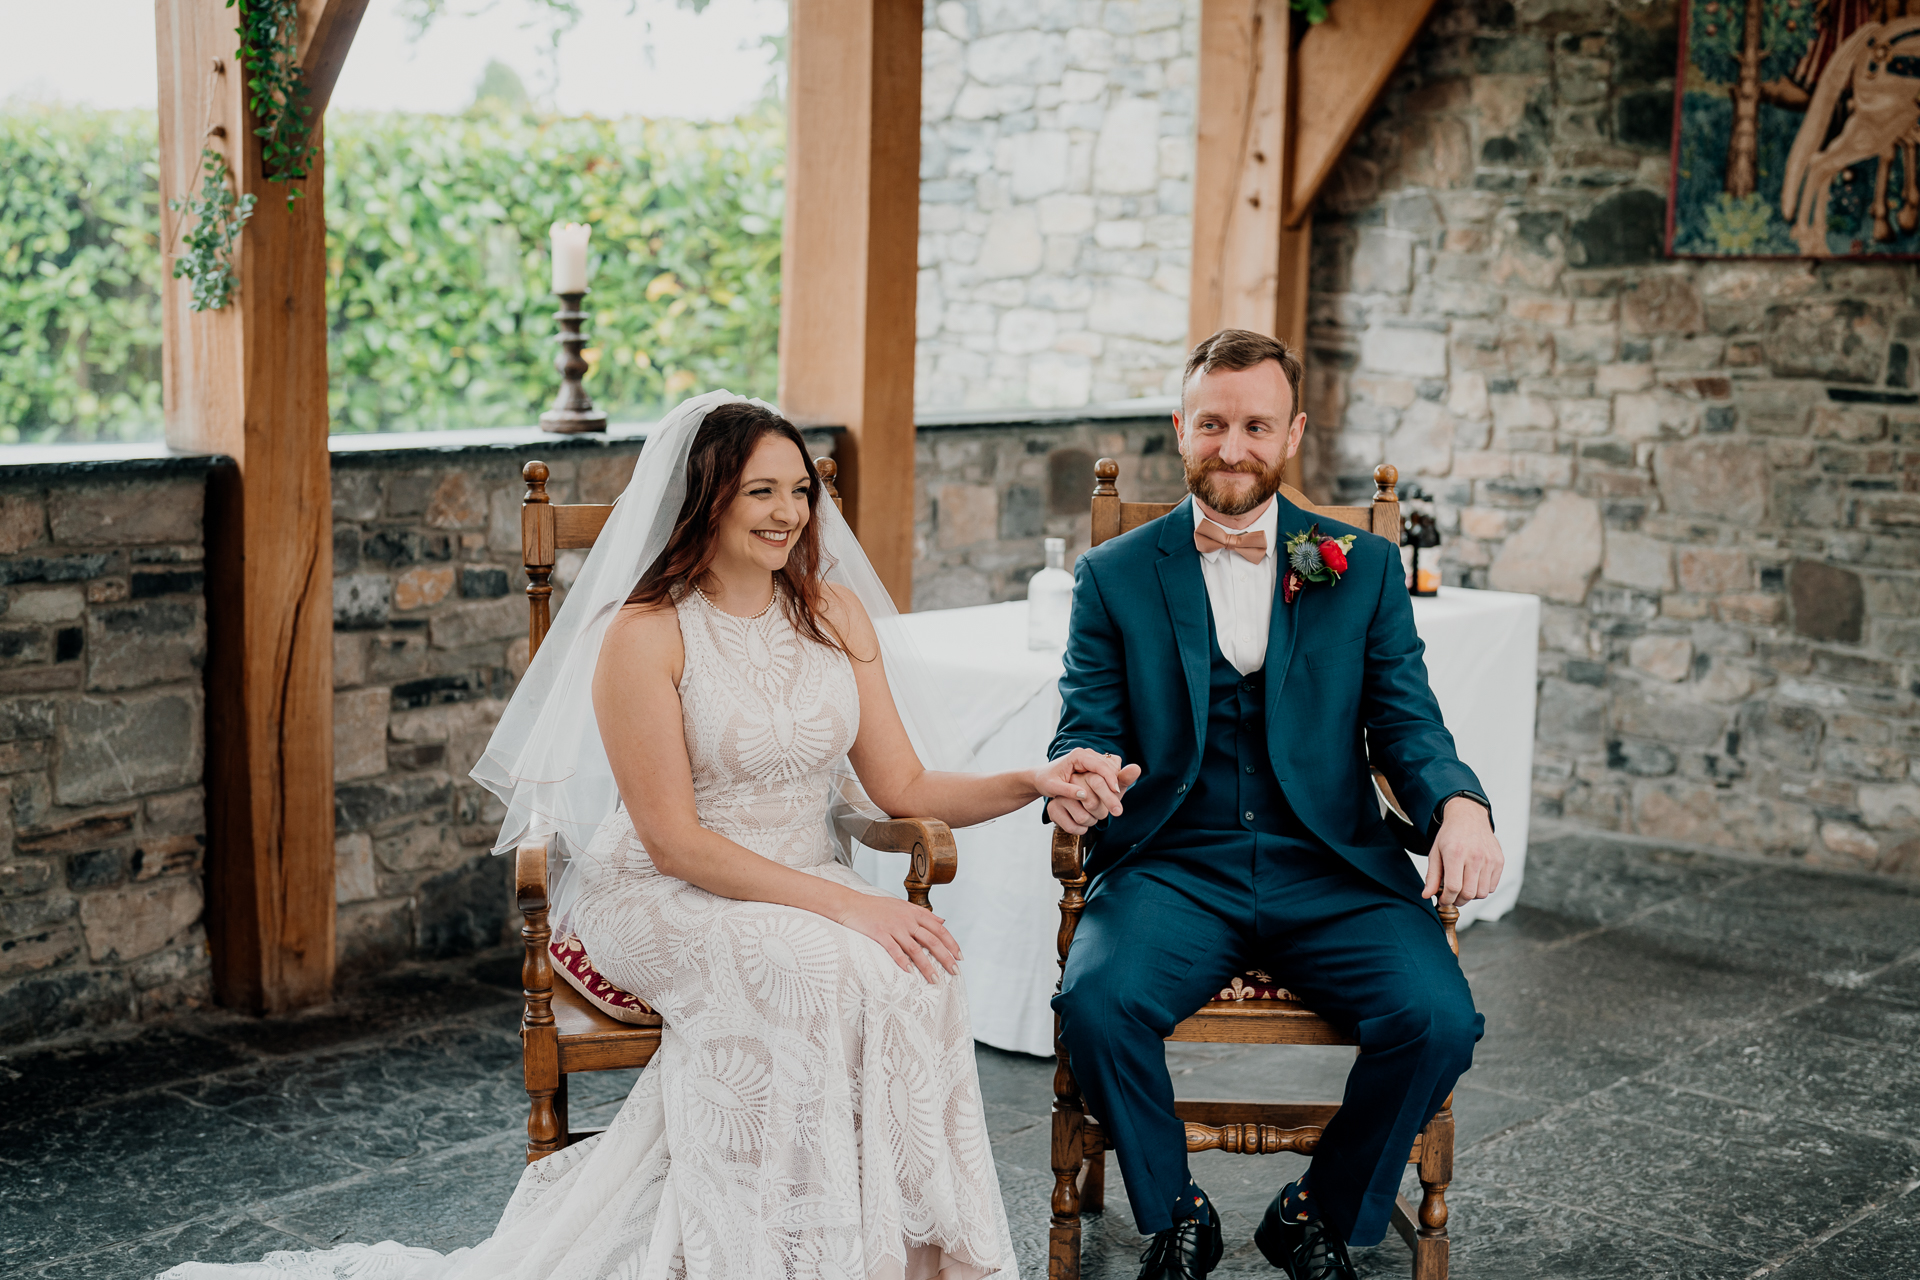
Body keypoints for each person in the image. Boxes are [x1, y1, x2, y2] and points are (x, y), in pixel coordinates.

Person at [159, 393, 1128, 1280]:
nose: (788, 512)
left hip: (799, 876)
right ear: (704, 498)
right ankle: (775, 1252)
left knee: (918, 970)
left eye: (799, 490)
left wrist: (1031, 778)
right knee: (822, 965)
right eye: (760, 490)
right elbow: (673, 840)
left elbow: (904, 784)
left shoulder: (831, 611)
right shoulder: (646, 632)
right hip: (667, 891)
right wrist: (853, 903)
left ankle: (907, 1255)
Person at [1046, 331, 1504, 1280]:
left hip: (1331, 865)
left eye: (1256, 425)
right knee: (1095, 1002)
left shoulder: (1361, 566)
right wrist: (1082, 776)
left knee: (1438, 1018)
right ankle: (1175, 1213)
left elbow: (1407, 724)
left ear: (1291, 433)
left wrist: (1460, 806)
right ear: (1181, 428)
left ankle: (1317, 1212)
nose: (1232, 446)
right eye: (1211, 424)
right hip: (1175, 864)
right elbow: (1083, 722)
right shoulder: (1115, 574)